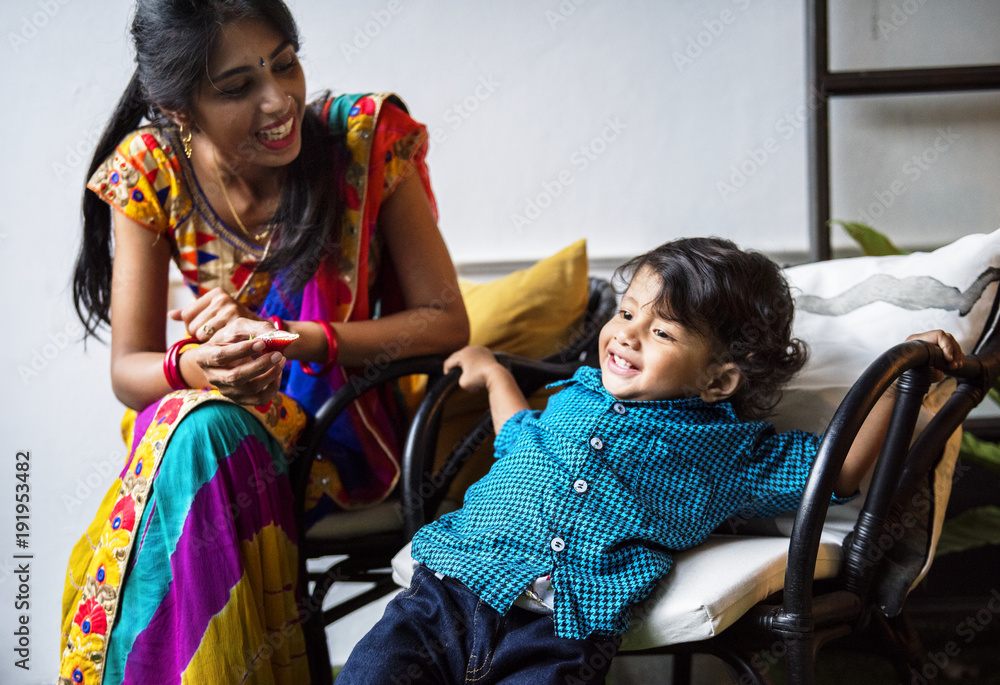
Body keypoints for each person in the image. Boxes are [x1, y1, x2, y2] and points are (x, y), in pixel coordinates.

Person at [334, 237, 963, 685]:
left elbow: (842, 472)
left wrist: (901, 373)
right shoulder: (575, 394)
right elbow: (518, 437)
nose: (627, 334)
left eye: (662, 332)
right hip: (448, 590)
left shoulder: (728, 451)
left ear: (719, 381)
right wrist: (494, 371)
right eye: (628, 313)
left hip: (560, 633)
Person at [59, 2, 469, 684]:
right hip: (222, 433)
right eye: (237, 87)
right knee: (196, 421)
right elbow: (130, 372)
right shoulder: (149, 171)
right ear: (179, 109)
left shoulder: (363, 141)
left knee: (191, 434)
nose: (279, 100)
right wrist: (200, 362)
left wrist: (297, 339)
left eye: (285, 64)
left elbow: (446, 322)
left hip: (341, 438)